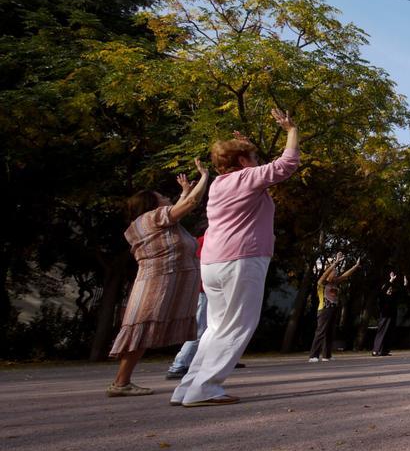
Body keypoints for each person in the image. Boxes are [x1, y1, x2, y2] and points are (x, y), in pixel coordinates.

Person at [171, 109, 300, 407]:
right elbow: (286, 164)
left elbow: (258, 169)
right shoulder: (245, 178)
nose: (257, 163)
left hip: (213, 262)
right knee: (238, 324)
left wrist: (245, 146)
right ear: (242, 162)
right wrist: (291, 130)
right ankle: (206, 388)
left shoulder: (219, 183)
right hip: (241, 258)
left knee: (216, 327)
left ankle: (188, 387)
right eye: (252, 158)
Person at [107, 162, 210, 396]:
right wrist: (205, 176)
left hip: (157, 281)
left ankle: (122, 381)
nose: (166, 198)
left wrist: (185, 190)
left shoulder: (153, 221)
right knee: (141, 331)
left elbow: (180, 206)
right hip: (157, 283)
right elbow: (190, 204)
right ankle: (120, 383)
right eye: (162, 196)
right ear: (152, 205)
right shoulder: (153, 218)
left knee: (141, 332)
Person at [166, 232, 206, 380]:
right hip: (203, 289)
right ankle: (179, 364)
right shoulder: (206, 241)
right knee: (200, 329)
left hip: (200, 288)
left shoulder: (198, 241)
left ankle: (191, 362)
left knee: (203, 328)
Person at [308, 252, 361, 362]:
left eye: (336, 272)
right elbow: (324, 274)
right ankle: (313, 356)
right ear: (328, 274)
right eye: (334, 272)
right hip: (324, 310)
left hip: (333, 309)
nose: (336, 274)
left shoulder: (335, 283)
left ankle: (327, 355)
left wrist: (355, 267)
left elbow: (345, 275)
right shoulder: (322, 283)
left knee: (330, 333)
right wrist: (335, 263)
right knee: (320, 332)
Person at [373, 272, 403, 356]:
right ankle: (376, 350)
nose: (390, 290)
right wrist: (391, 280)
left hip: (391, 315)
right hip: (384, 315)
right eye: (388, 289)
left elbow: (400, 293)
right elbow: (384, 289)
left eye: (391, 289)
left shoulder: (393, 297)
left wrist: (404, 284)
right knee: (381, 332)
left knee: (389, 332)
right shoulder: (382, 296)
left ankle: (384, 350)